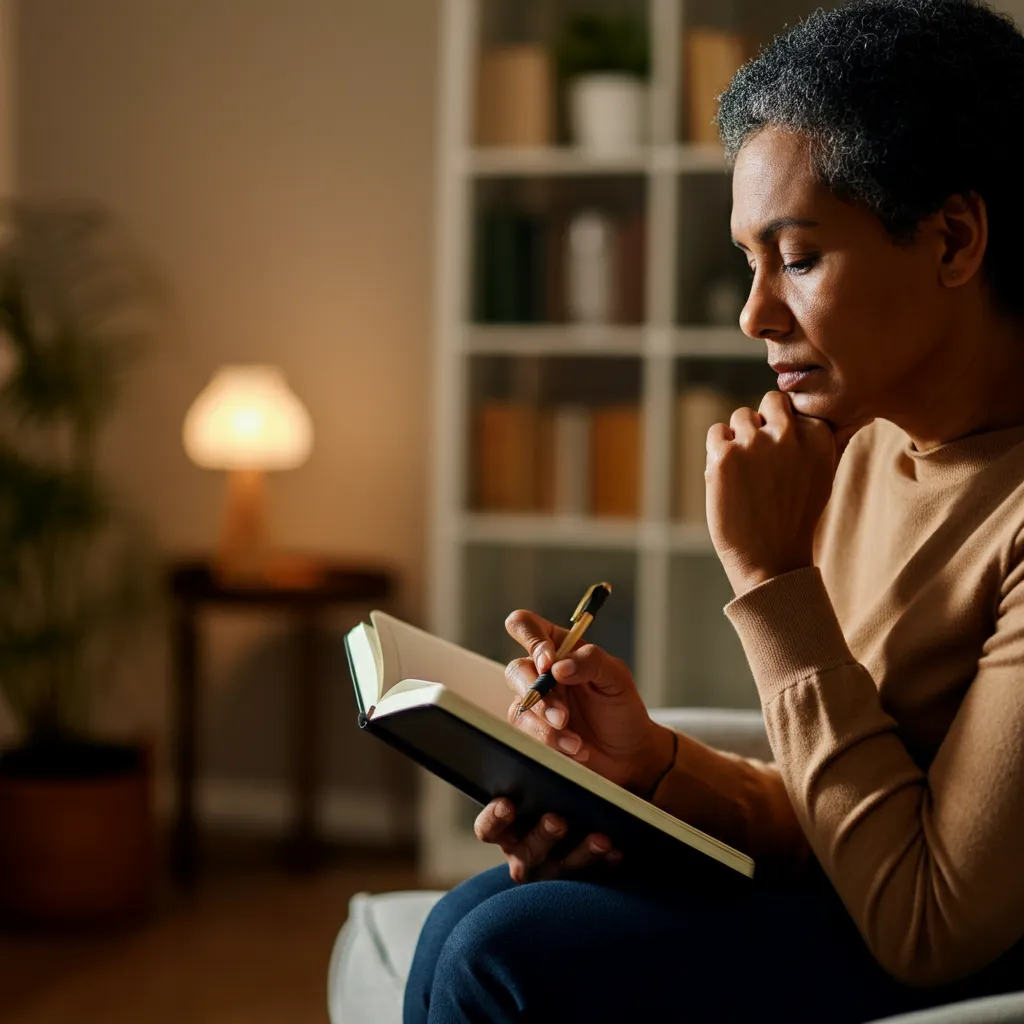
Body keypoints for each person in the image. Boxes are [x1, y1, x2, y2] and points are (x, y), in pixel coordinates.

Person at [405, 1, 1024, 1020]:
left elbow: (930, 916)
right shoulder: (865, 446)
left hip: (952, 942)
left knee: (504, 955)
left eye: (798, 256)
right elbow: (835, 801)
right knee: (462, 920)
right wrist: (645, 767)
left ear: (952, 237)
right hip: (865, 894)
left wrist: (775, 585)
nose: (752, 315)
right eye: (749, 260)